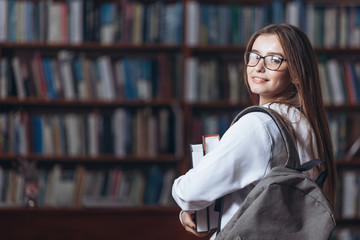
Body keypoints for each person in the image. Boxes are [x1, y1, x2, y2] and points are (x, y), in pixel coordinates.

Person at [172, 23, 337, 239]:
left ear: (296, 73)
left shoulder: (258, 126)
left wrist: (184, 197)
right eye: (254, 56)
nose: (259, 67)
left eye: (274, 60)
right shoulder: (304, 124)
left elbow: (190, 193)